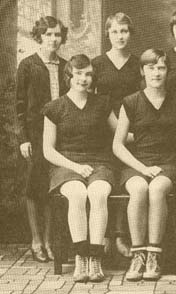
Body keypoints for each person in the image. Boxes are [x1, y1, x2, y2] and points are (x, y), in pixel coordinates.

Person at [113, 49, 176, 281]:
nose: (156, 72)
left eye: (161, 67)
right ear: (142, 71)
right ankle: (138, 255)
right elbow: (118, 145)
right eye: (151, 67)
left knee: (156, 189)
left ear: (168, 71)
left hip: (171, 163)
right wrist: (143, 168)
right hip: (139, 162)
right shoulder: (131, 102)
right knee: (138, 188)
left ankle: (154, 254)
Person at [42, 54, 116, 283]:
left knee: (98, 192)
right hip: (67, 165)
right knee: (76, 193)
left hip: (99, 162)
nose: (84, 79)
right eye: (79, 74)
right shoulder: (54, 108)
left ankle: (95, 258)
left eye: (88, 74)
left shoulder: (103, 104)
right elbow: (48, 150)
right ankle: (80, 257)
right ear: (69, 76)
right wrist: (75, 166)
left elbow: (122, 135)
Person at [16, 16, 68, 263]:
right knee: (33, 186)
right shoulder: (28, 65)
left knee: (52, 186)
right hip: (35, 135)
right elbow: (19, 105)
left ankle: (49, 240)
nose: (53, 39)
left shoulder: (66, 66)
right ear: (39, 37)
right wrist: (24, 138)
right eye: (48, 35)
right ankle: (36, 240)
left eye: (57, 35)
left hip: (61, 136)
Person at [92, 12, 141, 258]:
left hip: (132, 131)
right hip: (103, 130)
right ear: (107, 34)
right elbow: (93, 100)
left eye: (124, 31)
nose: (120, 36)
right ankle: (104, 233)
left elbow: (142, 100)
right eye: (115, 31)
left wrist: (129, 132)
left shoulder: (137, 64)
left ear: (130, 34)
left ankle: (121, 234)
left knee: (126, 179)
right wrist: (114, 127)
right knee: (106, 179)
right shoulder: (98, 64)